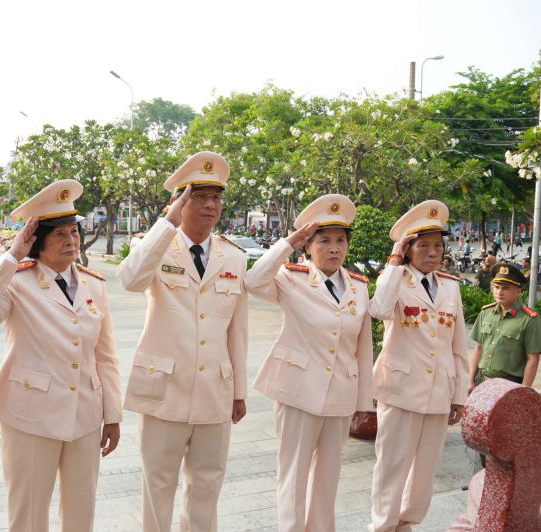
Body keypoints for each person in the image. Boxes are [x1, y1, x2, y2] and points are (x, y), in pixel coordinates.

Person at [0, 180, 122, 532]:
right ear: (38, 242)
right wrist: (11, 256)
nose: (71, 241)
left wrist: (112, 414)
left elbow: (105, 356)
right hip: (30, 417)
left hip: (85, 414)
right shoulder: (17, 282)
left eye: (74, 232)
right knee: (29, 514)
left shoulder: (95, 284)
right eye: (60, 235)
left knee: (81, 513)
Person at [117, 152, 248, 532]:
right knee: (159, 485)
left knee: (207, 485)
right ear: (180, 201)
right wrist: (167, 224)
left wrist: (238, 389)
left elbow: (236, 330)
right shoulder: (157, 246)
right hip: (164, 389)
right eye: (199, 195)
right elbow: (130, 279)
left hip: (214, 391)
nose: (210, 204)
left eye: (216, 197)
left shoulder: (234, 257)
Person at [245, 194, 373, 532]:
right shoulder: (291, 278)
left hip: (340, 395)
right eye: (324, 241)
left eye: (341, 241)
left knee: (328, 475)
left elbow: (363, 349)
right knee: (294, 472)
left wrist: (363, 401)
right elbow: (253, 282)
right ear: (309, 246)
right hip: (298, 390)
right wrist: (287, 243)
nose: (334, 248)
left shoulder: (359, 288)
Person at [367, 200, 469, 532]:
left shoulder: (451, 286)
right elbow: (379, 309)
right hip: (400, 390)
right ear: (408, 250)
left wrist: (460, 396)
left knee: (425, 470)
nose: (432, 252)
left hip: (439, 391)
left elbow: (458, 346)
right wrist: (393, 262)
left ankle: (407, 524)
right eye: (423, 245)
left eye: (437, 245)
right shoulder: (396, 280)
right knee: (392, 466)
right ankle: (382, 527)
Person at [469, 263, 541, 390]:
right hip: (481, 382)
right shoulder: (486, 312)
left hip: (509, 386)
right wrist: (471, 381)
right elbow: (479, 348)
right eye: (496, 287)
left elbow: (533, 359)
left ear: (518, 291)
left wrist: (523, 391)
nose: (499, 292)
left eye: (506, 288)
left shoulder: (529, 319)